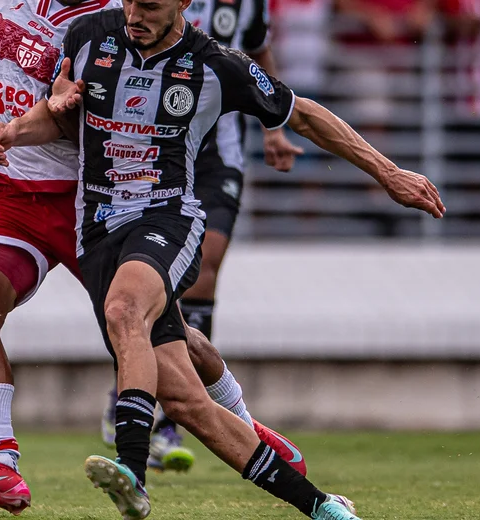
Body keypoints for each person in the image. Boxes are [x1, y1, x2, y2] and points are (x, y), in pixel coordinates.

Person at [0, 1, 445, 518]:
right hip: (97, 231)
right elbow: (61, 112)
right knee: (186, 404)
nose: (134, 14)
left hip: (166, 219)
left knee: (124, 311)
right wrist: (12, 130)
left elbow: (306, 115)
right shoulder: (89, 35)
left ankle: (131, 469)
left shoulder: (217, 65)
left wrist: (390, 174)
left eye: (150, 6)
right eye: (130, 0)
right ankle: (324, 508)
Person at [0, 0, 309, 514]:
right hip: (8, 190)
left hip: (91, 198)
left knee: (166, 341)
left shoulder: (119, 15)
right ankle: (2, 467)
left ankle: (245, 427)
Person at [98, 0, 306, 474]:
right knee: (147, 295)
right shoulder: (138, 7)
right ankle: (142, 396)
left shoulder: (246, 5)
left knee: (204, 270)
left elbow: (257, 55)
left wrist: (273, 127)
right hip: (153, 149)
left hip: (219, 156)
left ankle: (170, 414)